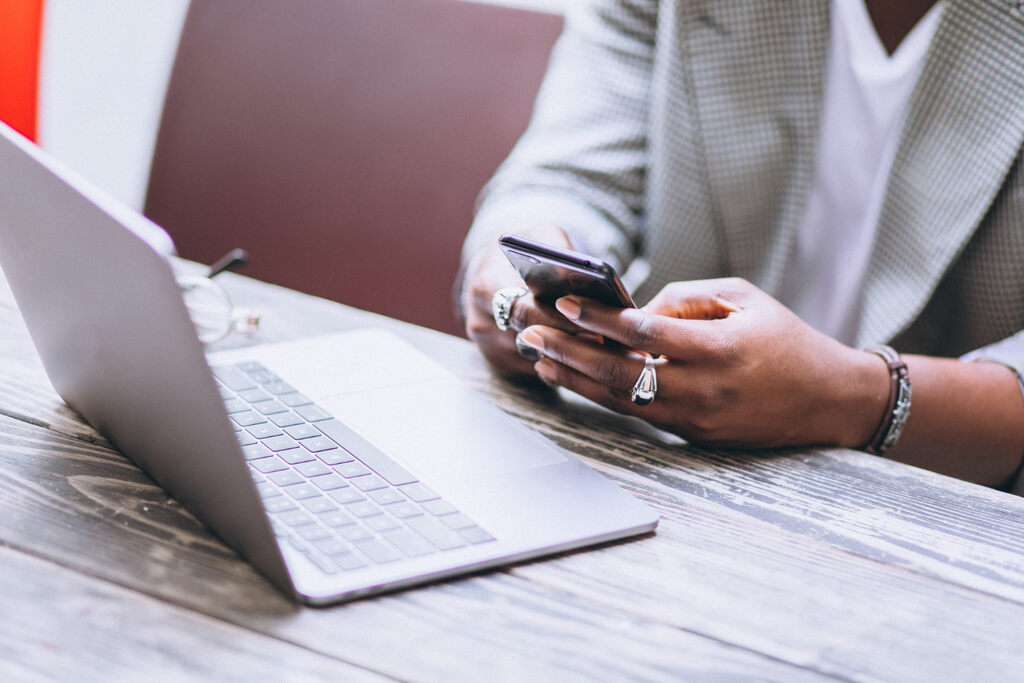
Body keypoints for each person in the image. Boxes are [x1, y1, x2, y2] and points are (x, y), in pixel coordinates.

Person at [457, 0, 1024, 492]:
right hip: (671, 472)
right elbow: (567, 177)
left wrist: (855, 398)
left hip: (962, 520)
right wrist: (519, 274)